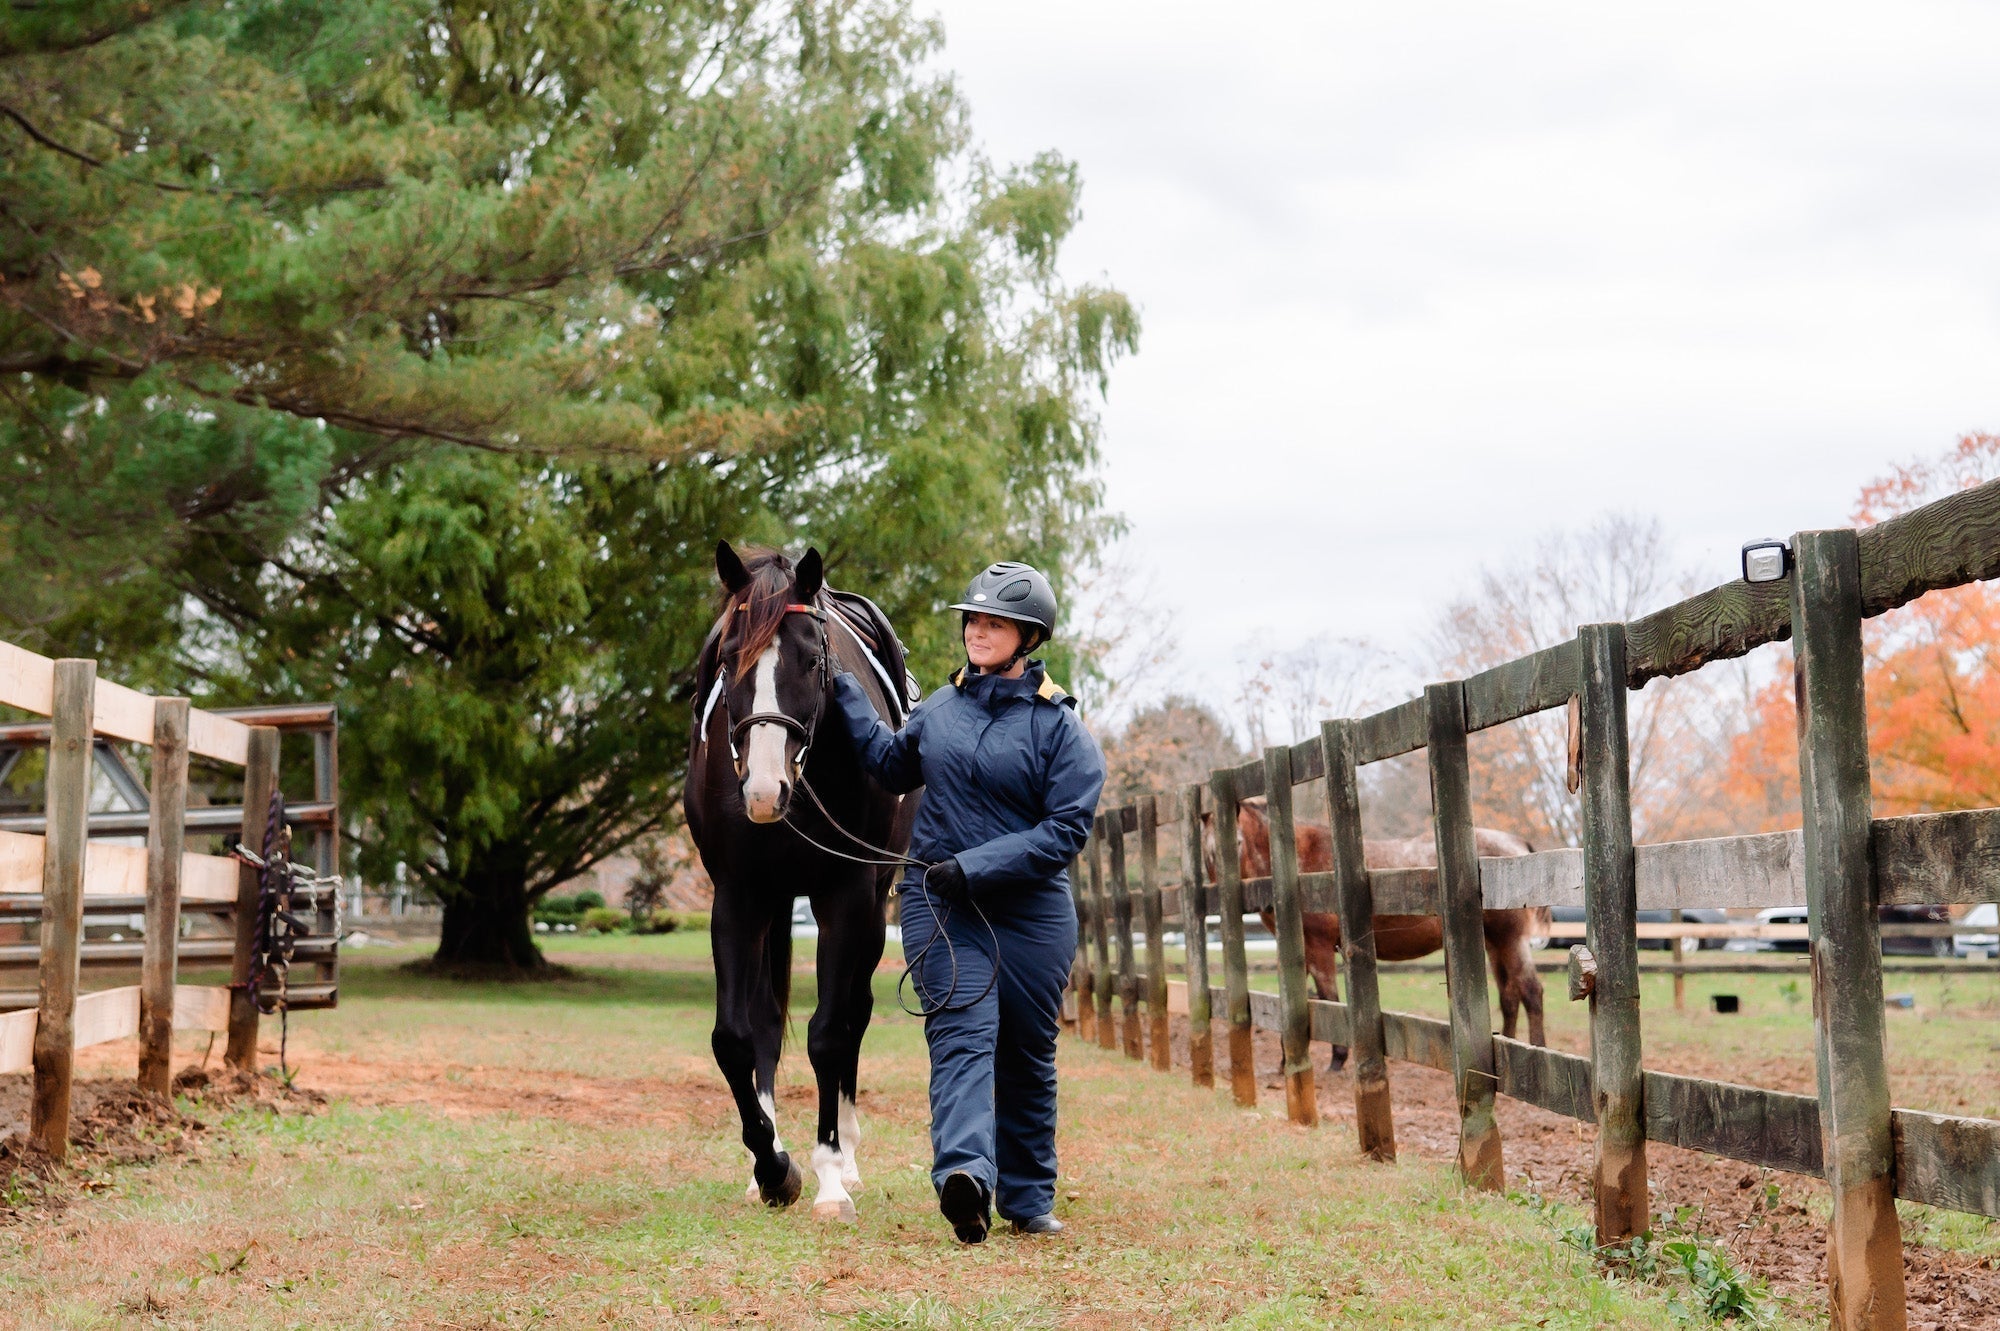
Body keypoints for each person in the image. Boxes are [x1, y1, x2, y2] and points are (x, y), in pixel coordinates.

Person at [830, 560, 1105, 1243]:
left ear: (1028, 636)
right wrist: (848, 696)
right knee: (960, 1034)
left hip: (1033, 911)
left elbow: (1065, 830)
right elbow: (892, 764)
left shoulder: (1060, 727)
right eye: (973, 620)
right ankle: (963, 1179)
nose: (978, 632)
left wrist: (976, 866)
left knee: (1026, 1050)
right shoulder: (938, 711)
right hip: (940, 904)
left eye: (996, 623)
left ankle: (1029, 1198)